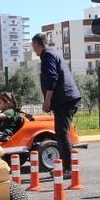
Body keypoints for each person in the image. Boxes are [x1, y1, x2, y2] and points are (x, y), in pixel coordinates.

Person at [32, 33, 81, 176]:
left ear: (36, 44)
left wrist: (47, 101)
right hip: (66, 98)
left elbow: (52, 78)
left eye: (33, 45)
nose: (33, 48)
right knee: (61, 132)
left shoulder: (47, 55)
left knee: (61, 133)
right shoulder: (53, 53)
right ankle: (68, 167)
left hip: (63, 99)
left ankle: (69, 169)